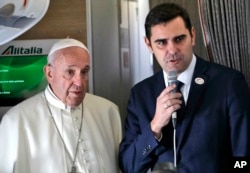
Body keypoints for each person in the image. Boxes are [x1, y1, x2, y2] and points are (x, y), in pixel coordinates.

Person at [119, 3, 250, 173]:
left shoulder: (228, 82)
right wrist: (154, 128)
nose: (172, 50)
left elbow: (244, 158)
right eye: (161, 42)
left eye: (179, 39)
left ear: (193, 36)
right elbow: (129, 166)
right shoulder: (140, 94)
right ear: (148, 44)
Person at [0, 38, 122, 173]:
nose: (79, 82)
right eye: (70, 72)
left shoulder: (108, 111)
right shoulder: (15, 120)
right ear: (49, 73)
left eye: (84, 71)